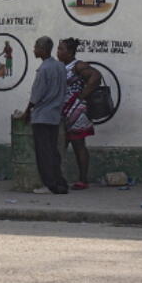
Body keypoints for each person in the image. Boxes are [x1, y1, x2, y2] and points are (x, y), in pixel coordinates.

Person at [23, 36, 69, 195]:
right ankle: (60, 182)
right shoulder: (61, 67)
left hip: (42, 116)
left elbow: (36, 95)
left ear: (42, 50)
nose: (34, 50)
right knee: (53, 151)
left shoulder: (44, 69)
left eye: (36, 47)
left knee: (43, 153)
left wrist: (27, 111)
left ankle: (50, 185)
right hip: (55, 115)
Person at [58, 38, 101, 189]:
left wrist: (82, 95)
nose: (58, 52)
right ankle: (58, 178)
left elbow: (96, 76)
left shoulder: (78, 65)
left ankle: (83, 180)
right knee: (60, 144)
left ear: (69, 52)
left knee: (78, 145)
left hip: (77, 111)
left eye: (61, 49)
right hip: (64, 111)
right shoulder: (61, 66)